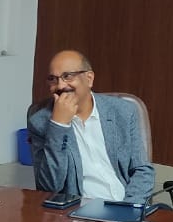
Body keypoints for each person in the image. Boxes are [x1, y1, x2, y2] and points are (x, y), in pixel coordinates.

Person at [28, 50, 154, 203]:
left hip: (127, 205)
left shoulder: (123, 111)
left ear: (89, 78)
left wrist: (129, 208)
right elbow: (48, 187)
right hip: (81, 209)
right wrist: (59, 125)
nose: (60, 85)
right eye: (52, 79)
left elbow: (142, 170)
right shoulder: (40, 122)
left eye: (67, 76)